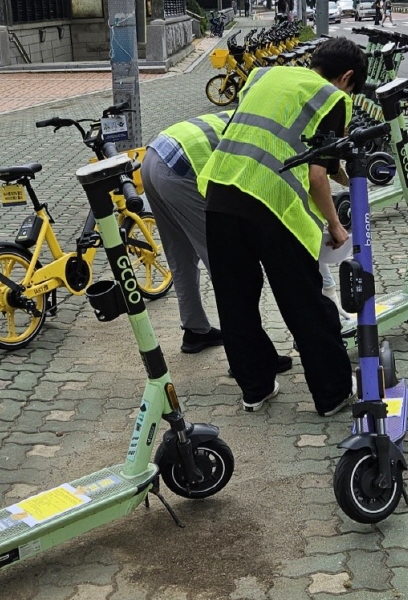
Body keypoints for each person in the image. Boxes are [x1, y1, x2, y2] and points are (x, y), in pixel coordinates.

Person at [198, 37, 367, 415]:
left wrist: (347, 174)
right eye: (353, 90)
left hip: (222, 196)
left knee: (235, 302)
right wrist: (336, 226)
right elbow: (316, 177)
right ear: (348, 77)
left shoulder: (263, 76)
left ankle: (255, 389)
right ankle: (333, 393)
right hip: (273, 208)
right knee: (305, 304)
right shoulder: (332, 98)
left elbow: (287, 143)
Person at [140, 113, 230, 354]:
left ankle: (195, 331)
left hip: (153, 157)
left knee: (180, 254)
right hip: (178, 170)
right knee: (224, 263)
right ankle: (244, 353)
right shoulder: (270, 139)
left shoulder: (246, 115)